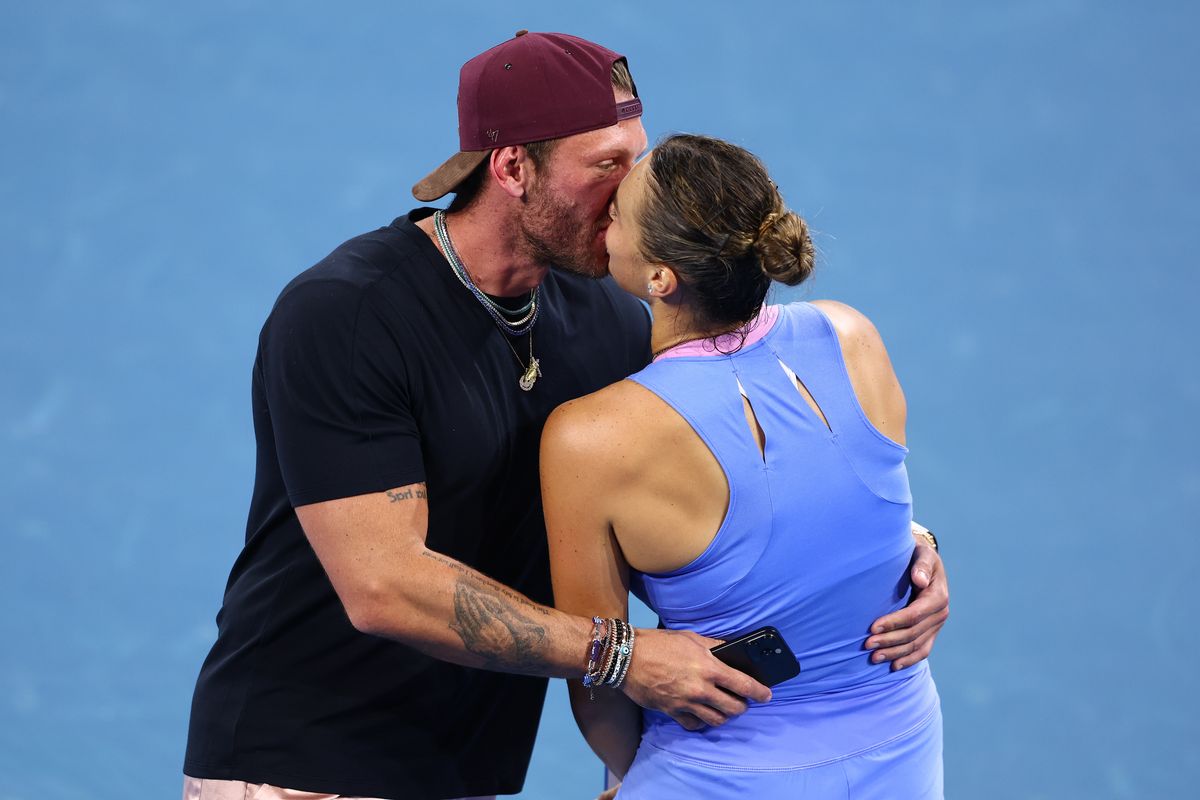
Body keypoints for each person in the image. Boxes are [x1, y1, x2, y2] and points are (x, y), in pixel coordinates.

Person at [183, 32, 948, 800]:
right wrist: (620, 656)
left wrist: (897, 549)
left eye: (635, 160)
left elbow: (701, 483)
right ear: (513, 166)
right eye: (605, 166)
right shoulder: (346, 315)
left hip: (461, 761)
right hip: (304, 765)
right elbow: (383, 584)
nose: (628, 194)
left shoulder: (607, 314)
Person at [541, 134, 945, 798]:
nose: (602, 212)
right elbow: (860, 521)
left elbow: (599, 676)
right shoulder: (851, 335)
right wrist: (924, 542)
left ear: (660, 279)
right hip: (902, 756)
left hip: (718, 779)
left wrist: (634, 777)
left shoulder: (592, 438)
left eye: (619, 211)